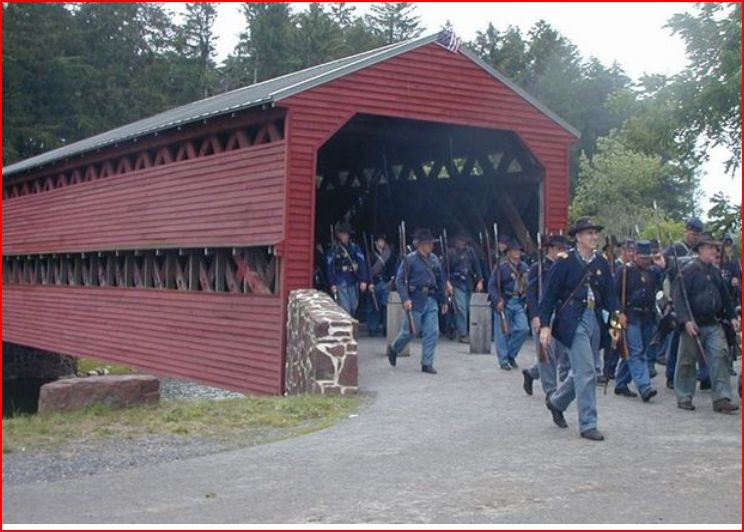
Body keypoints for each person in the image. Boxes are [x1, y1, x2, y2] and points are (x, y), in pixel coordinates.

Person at [538, 217, 625, 441]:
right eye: (589, 233)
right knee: (587, 372)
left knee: (586, 370)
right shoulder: (564, 261)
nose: (594, 237)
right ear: (578, 237)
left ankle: (557, 402)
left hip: (594, 318)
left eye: (595, 233)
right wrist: (545, 325)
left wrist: (616, 322)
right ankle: (588, 423)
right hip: (571, 320)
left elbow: (610, 297)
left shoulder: (602, 263)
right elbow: (548, 296)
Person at [673, 232, 740, 413]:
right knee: (687, 361)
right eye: (710, 247)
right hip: (693, 324)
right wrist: (686, 321)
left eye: (715, 247)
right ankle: (684, 395)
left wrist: (732, 316)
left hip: (712, 323)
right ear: (701, 249)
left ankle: (722, 397)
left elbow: (725, 297)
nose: (714, 251)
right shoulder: (687, 272)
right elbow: (679, 299)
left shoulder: (715, 272)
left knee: (720, 357)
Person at [387, 228, 449, 374]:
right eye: (428, 244)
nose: (431, 246)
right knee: (409, 332)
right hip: (415, 299)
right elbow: (400, 281)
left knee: (433, 332)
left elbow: (440, 281)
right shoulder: (409, 260)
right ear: (420, 244)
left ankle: (427, 363)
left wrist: (444, 300)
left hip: (431, 298)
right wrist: (405, 299)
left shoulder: (434, 259)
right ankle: (394, 348)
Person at [613, 240, 664, 402]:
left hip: (647, 316)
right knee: (637, 352)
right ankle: (644, 386)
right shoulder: (625, 271)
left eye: (647, 257)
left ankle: (621, 382)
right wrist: (619, 314)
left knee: (631, 352)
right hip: (630, 315)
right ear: (635, 255)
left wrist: (662, 265)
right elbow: (614, 295)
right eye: (642, 257)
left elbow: (662, 287)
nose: (645, 260)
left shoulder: (653, 272)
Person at [522, 234, 571, 397]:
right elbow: (531, 293)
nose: (561, 252)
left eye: (563, 249)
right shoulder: (538, 268)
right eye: (558, 249)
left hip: (561, 314)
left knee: (556, 354)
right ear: (549, 249)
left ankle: (531, 373)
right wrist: (535, 315)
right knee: (546, 352)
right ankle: (551, 390)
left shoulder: (566, 267)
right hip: (543, 314)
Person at [663, 217, 706, 390]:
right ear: (686, 231)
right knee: (675, 340)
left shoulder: (699, 252)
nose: (693, 237)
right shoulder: (675, 249)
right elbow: (666, 269)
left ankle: (703, 376)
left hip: (695, 299)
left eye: (696, 234)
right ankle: (671, 374)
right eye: (691, 233)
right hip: (678, 297)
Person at [489, 238, 530, 370]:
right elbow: (492, 286)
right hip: (504, 301)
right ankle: (503, 360)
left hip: (518, 301)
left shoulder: (524, 267)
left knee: (523, 329)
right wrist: (497, 300)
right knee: (502, 333)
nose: (517, 252)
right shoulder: (501, 267)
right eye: (514, 250)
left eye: (518, 250)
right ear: (508, 252)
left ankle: (511, 354)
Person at [446, 233, 484, 343]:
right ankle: (462, 334)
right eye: (460, 241)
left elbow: (477, 266)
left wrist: (480, 281)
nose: (462, 243)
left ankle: (459, 327)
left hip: (469, 283)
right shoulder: (450, 253)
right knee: (461, 308)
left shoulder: (470, 251)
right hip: (456, 283)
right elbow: (445, 269)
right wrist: (447, 283)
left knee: (468, 308)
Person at [326, 222, 369, 316]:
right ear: (339, 235)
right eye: (343, 234)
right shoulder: (334, 249)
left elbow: (362, 263)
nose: (345, 236)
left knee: (354, 306)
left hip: (352, 280)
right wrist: (332, 283)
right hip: (339, 281)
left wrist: (363, 280)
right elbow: (330, 267)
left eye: (346, 234)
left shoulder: (354, 247)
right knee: (345, 308)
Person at [366, 234, 396, 337]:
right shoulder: (370, 255)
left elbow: (392, 268)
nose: (382, 243)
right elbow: (368, 271)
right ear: (376, 243)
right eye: (380, 241)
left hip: (385, 283)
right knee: (373, 306)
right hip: (375, 282)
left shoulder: (388, 255)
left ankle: (386, 328)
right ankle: (372, 328)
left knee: (385, 306)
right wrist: (369, 283)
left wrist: (391, 279)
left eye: (383, 241)